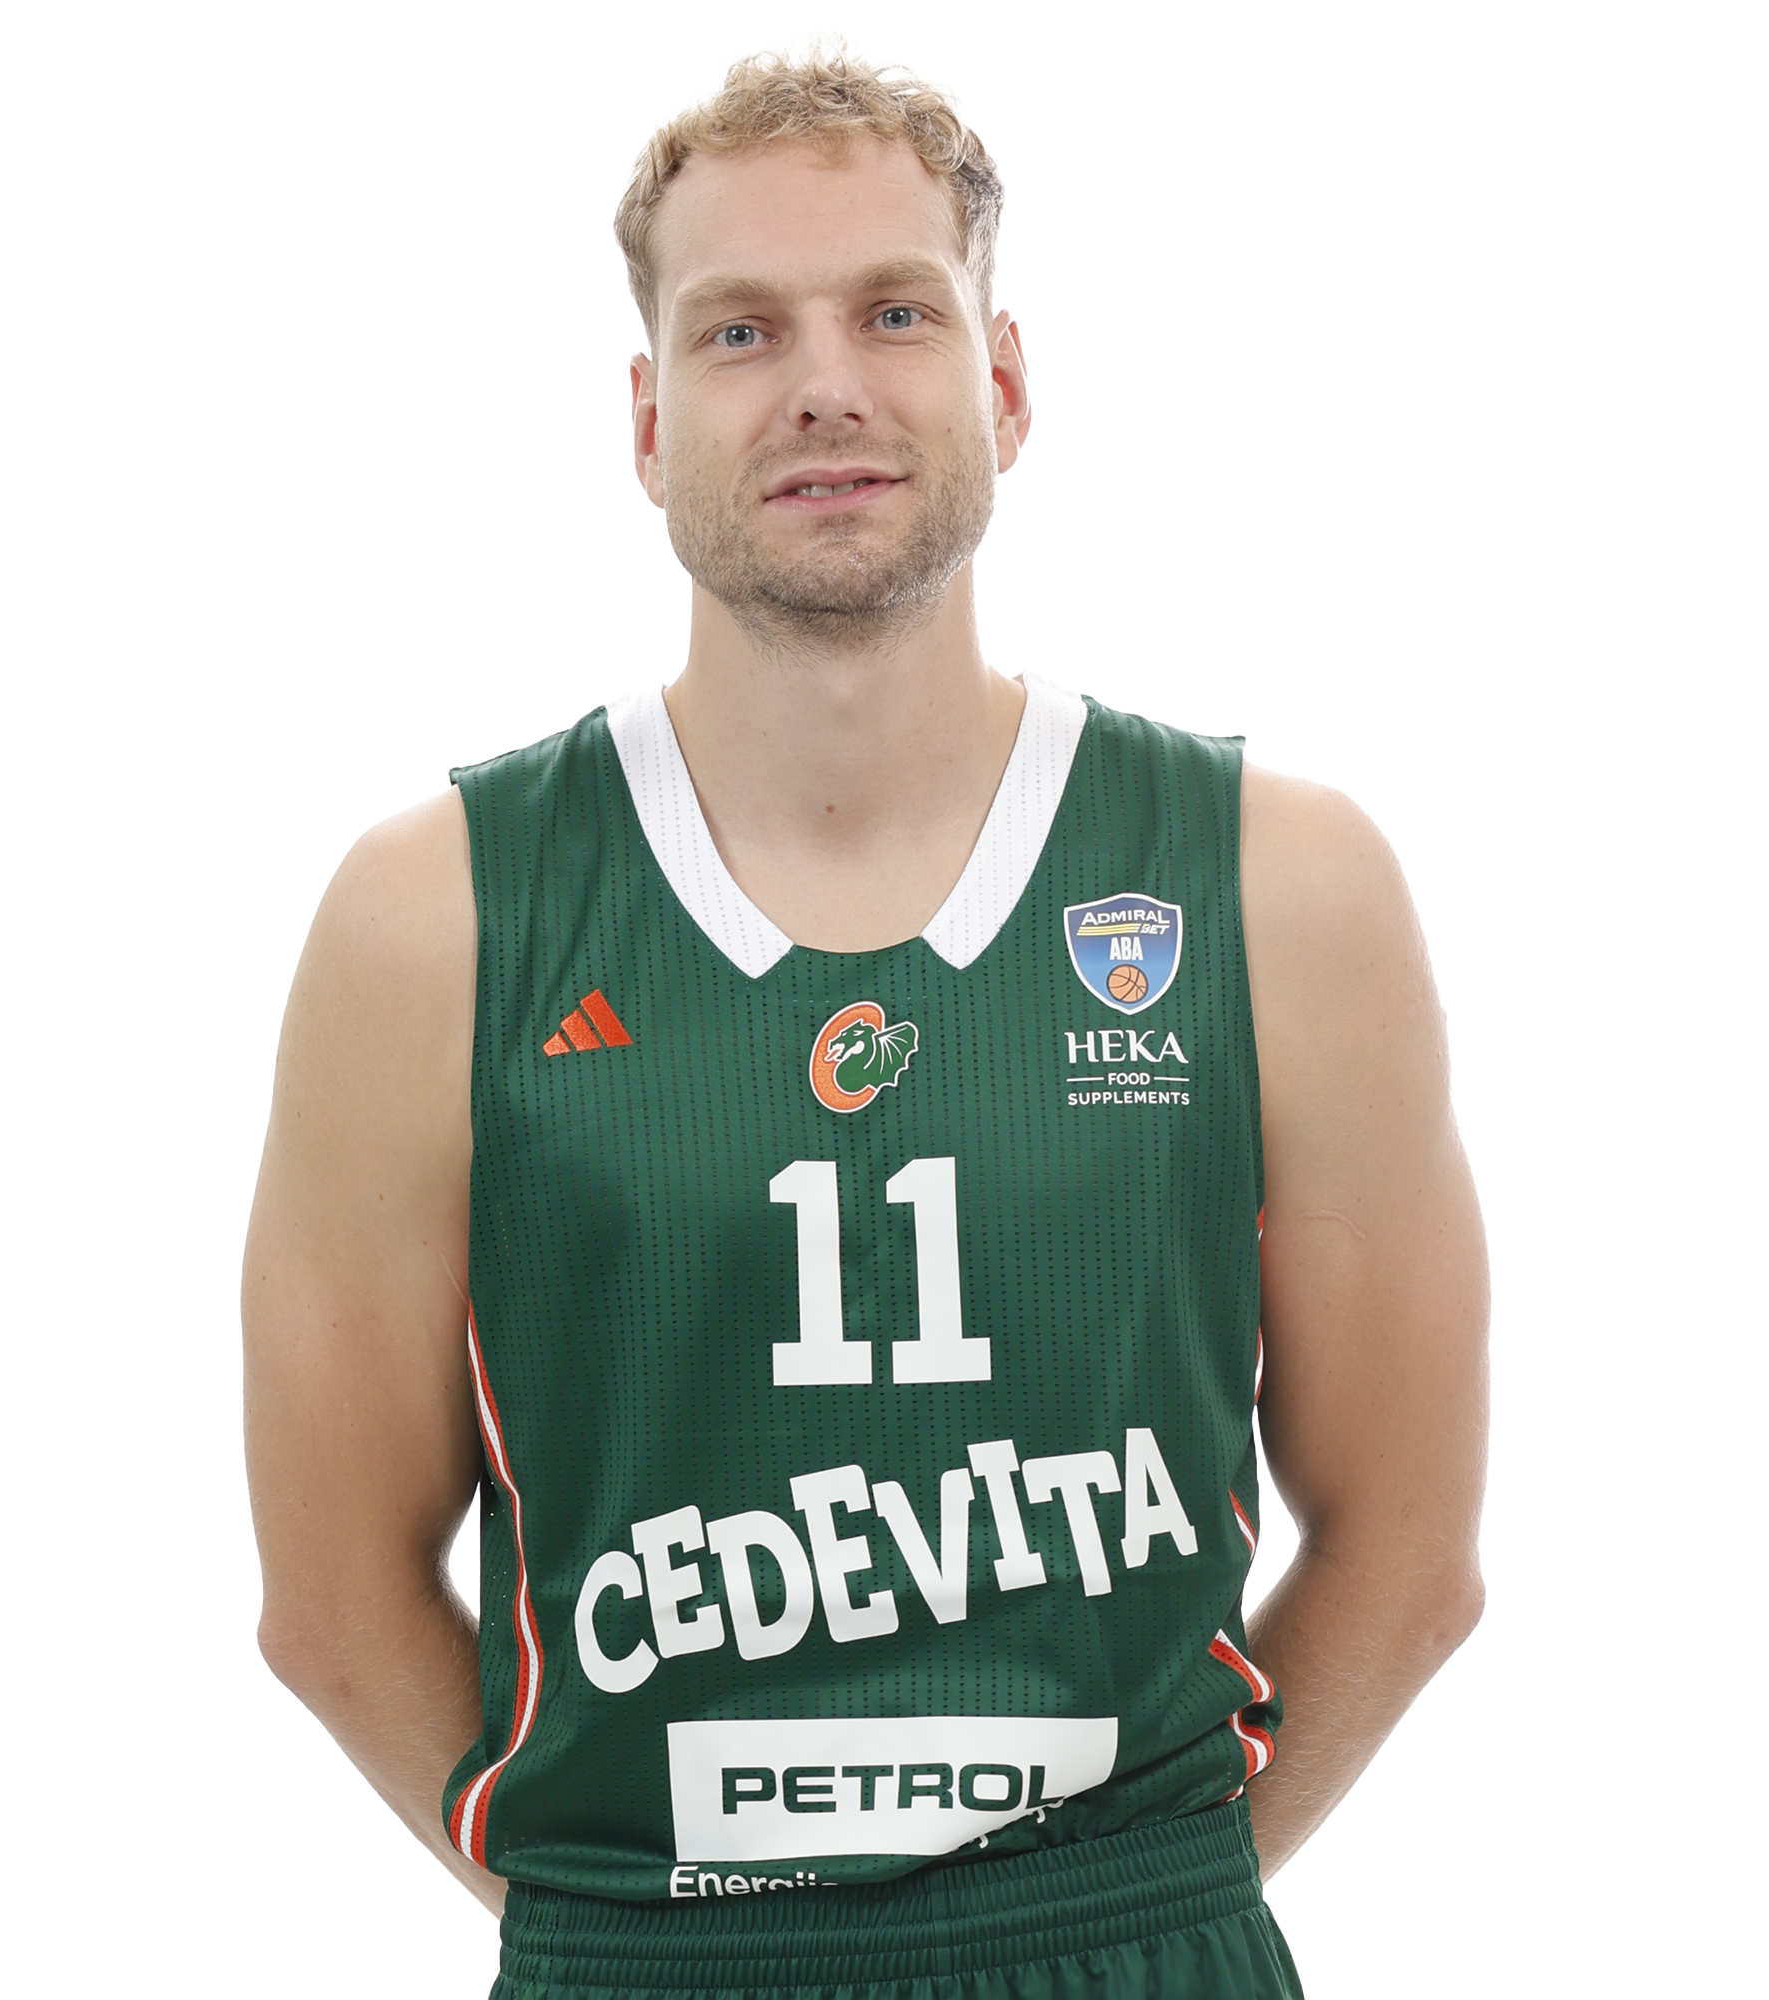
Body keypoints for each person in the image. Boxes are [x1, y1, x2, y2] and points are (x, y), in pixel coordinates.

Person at [243, 36, 1489, 2000]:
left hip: (1126, 1936)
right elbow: (329, 1602)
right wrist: (622, 1928)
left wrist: (1121, 1910)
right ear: (647, 418)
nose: (824, 382)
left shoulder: (1272, 883)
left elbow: (1409, 1558)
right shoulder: (440, 921)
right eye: (740, 330)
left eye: (896, 311)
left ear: (1005, 381)